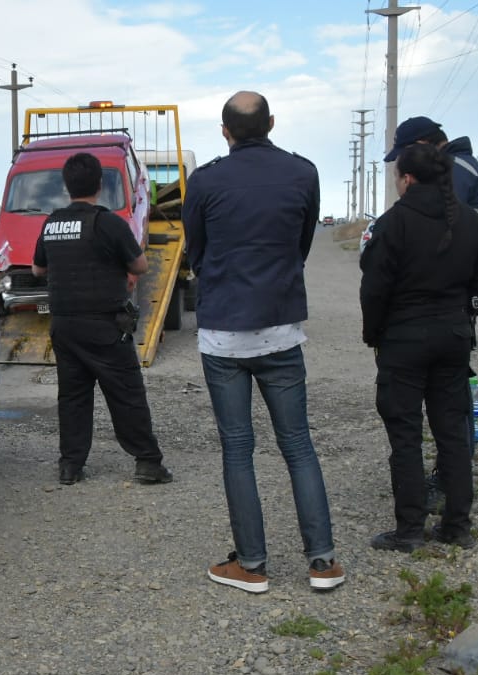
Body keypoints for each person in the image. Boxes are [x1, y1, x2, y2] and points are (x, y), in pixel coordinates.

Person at [184, 90, 343, 594]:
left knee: (237, 449)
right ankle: (323, 563)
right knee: (298, 445)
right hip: (281, 328)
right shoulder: (303, 172)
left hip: (224, 335)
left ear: (224, 131)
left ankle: (251, 565)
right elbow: (301, 244)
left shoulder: (205, 179)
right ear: (271, 123)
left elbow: (196, 251)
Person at [360, 144, 478, 552]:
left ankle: (410, 530)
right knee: (452, 433)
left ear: (407, 179)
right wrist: (462, 315)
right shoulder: (469, 222)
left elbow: (374, 289)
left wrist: (374, 335)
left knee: (405, 436)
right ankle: (457, 526)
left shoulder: (394, 223)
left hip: (403, 339)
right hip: (453, 337)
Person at [31, 152, 171, 487]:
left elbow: (38, 269)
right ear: (99, 184)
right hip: (105, 325)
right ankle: (148, 462)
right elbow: (140, 266)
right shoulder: (108, 223)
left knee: (73, 397)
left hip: (64, 325)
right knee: (126, 394)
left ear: (67, 186)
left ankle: (70, 466)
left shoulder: (52, 223)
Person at [384, 116, 478, 227]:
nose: (404, 160)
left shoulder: (450, 169)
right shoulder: (468, 165)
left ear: (421, 145)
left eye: (405, 154)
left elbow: (439, 225)